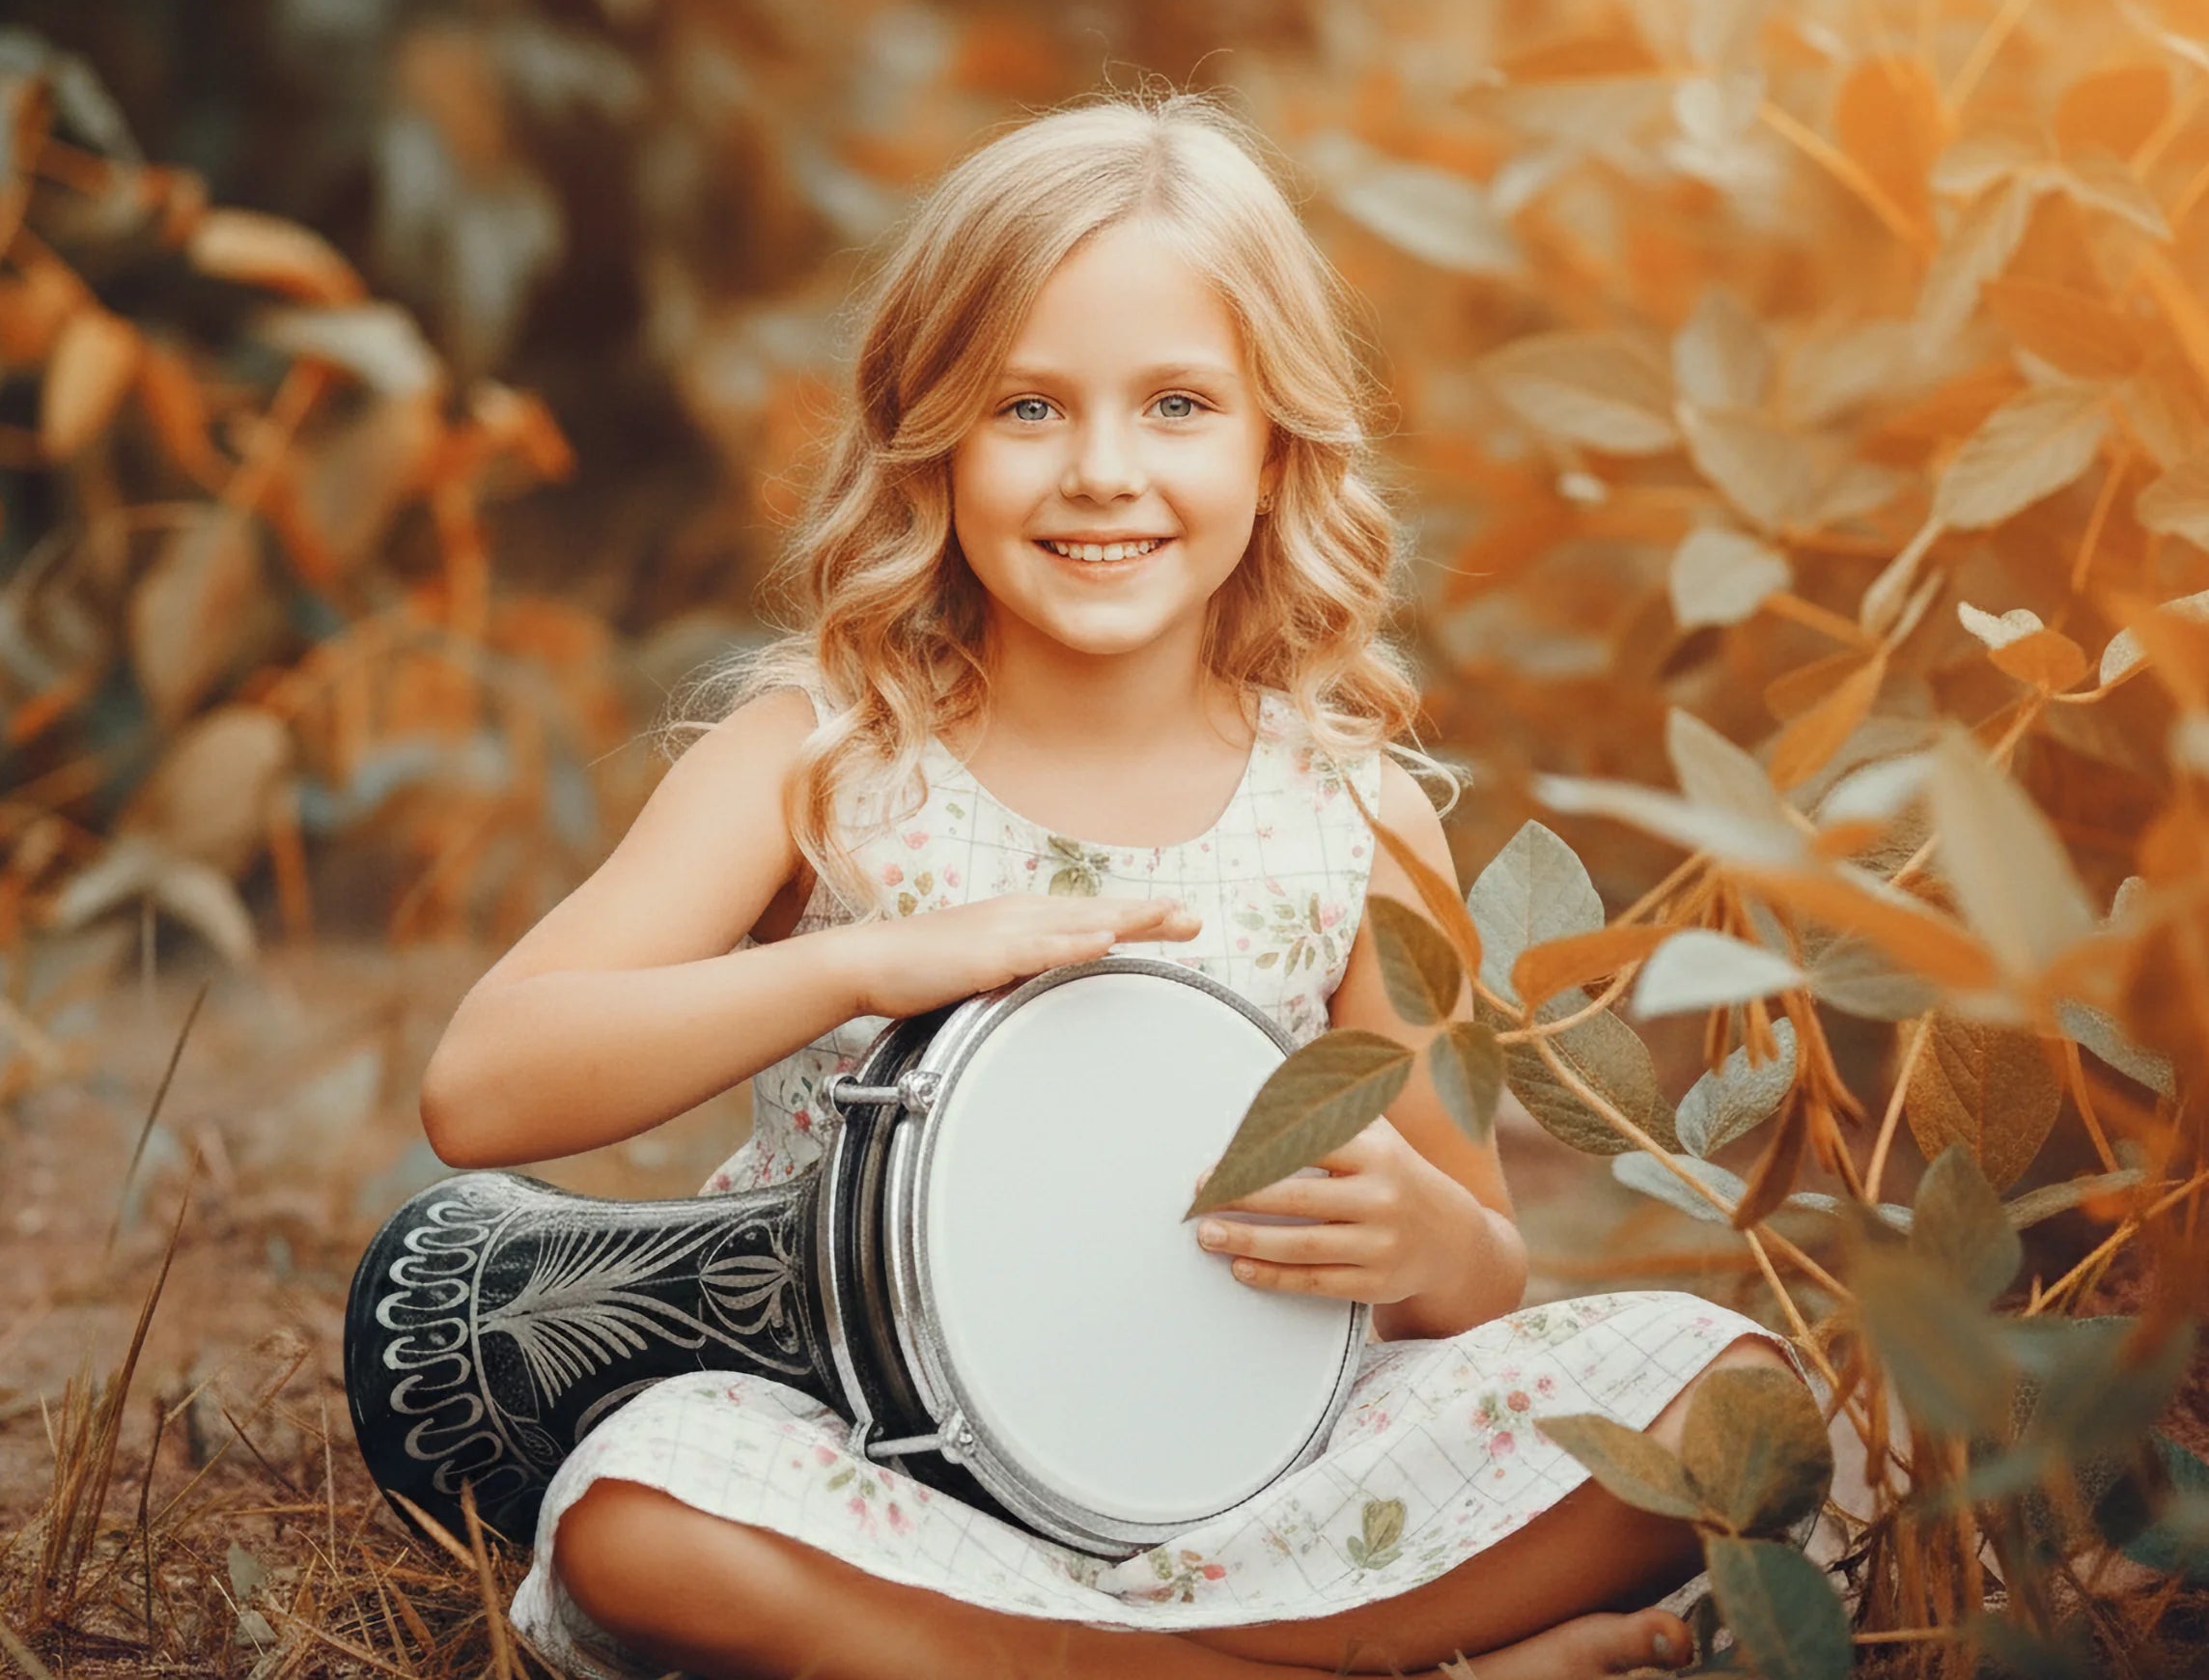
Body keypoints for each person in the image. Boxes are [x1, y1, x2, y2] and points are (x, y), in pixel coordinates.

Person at [418, 93, 1819, 1680]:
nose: (1101, 472)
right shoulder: (822, 759)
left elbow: (1480, 1267)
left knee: (1731, 1395)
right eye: (1027, 408)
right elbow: (483, 1086)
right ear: (927, 431)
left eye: (1175, 405)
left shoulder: (1347, 817)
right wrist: (864, 967)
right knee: (644, 1515)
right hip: (877, 1470)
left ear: (1276, 442)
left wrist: (1432, 1241)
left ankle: (1122, 1656)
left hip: (1255, 1475)